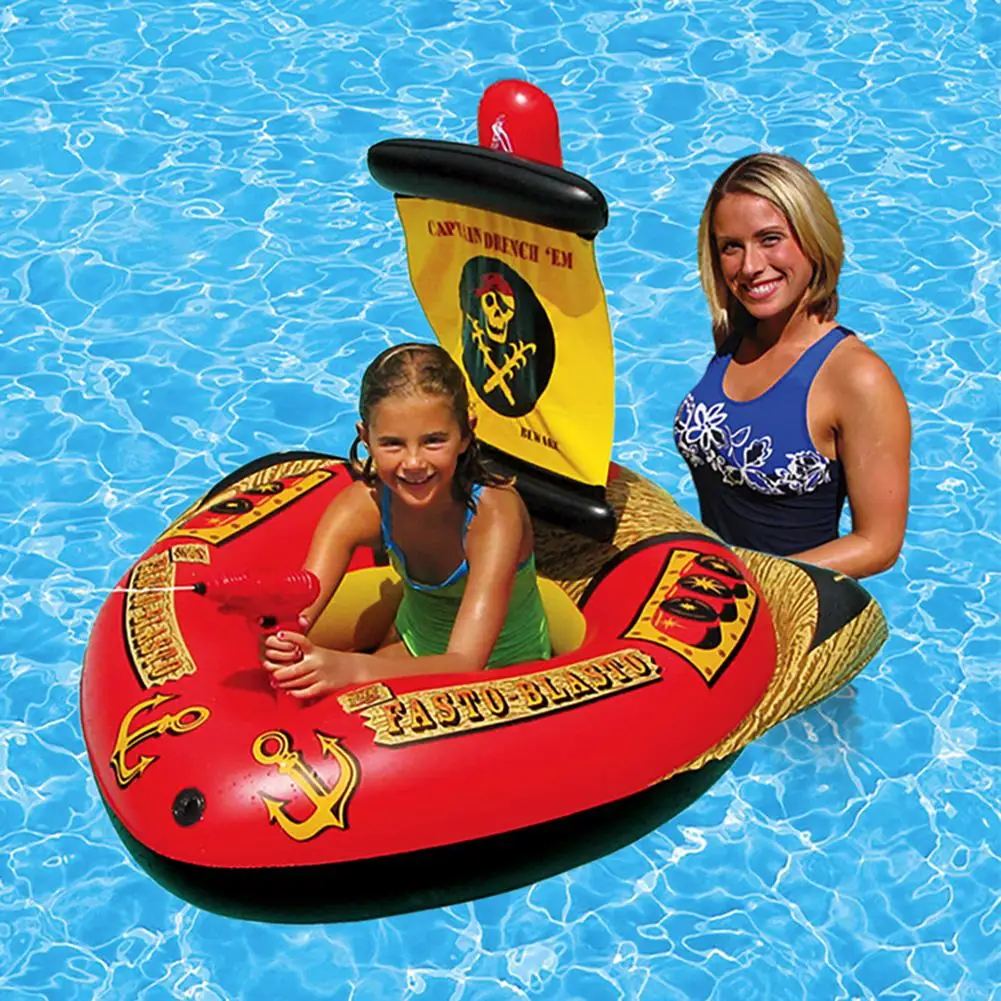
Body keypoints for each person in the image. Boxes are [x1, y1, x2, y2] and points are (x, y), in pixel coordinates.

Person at [262, 342, 551, 699]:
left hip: (506, 676)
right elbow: (299, 611)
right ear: (366, 439)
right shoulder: (361, 507)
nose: (413, 462)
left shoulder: (492, 515)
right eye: (392, 444)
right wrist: (281, 641)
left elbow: (465, 663)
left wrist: (351, 668)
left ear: (466, 434)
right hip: (412, 647)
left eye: (433, 441)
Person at [674, 153, 910, 579]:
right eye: (731, 246)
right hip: (711, 591)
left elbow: (878, 544)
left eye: (770, 239)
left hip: (790, 603)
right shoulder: (733, 332)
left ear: (813, 237)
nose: (750, 267)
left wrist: (748, 580)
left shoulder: (858, 378)